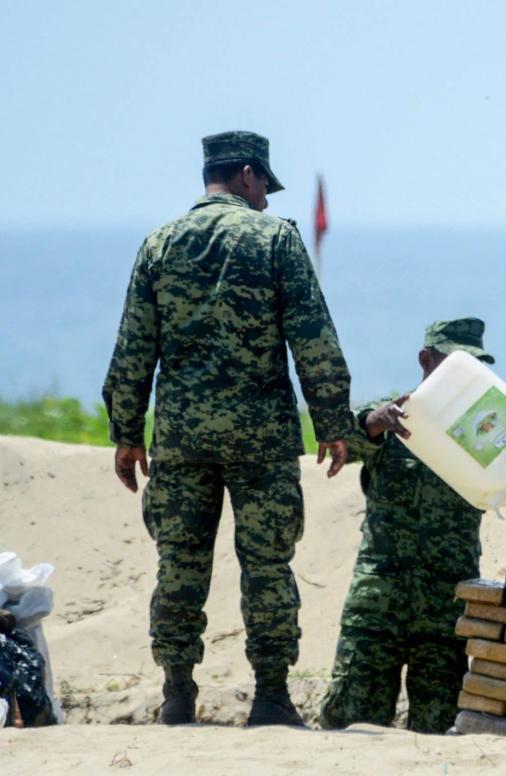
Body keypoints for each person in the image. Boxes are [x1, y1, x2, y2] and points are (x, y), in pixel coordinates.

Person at [102, 131, 354, 727]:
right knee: (267, 565)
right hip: (260, 438)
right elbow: (312, 337)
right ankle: (270, 697)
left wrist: (127, 432)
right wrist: (333, 421)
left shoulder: (159, 245)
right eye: (265, 183)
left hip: (182, 439)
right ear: (247, 174)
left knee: (180, 565)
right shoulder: (277, 240)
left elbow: (134, 348)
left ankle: (176, 696)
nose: (266, 197)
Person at [319, 318, 506, 732]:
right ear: (425, 359)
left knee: (436, 733)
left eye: (476, 365)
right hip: (378, 599)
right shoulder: (396, 414)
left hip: (445, 605)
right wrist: (374, 422)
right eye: (456, 362)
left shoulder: (489, 427)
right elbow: (340, 442)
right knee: (351, 724)